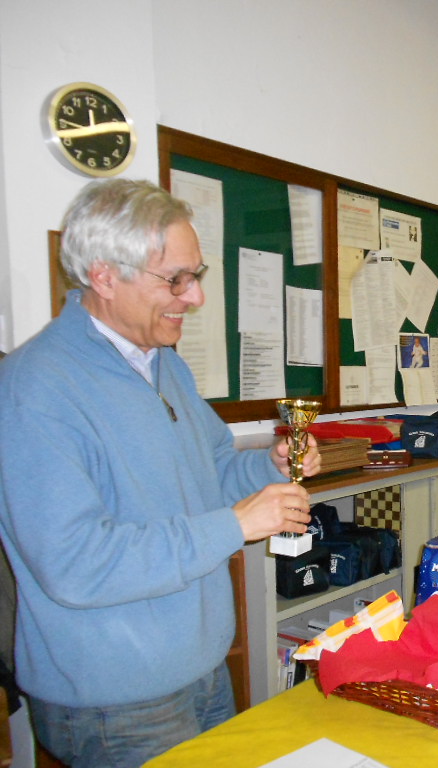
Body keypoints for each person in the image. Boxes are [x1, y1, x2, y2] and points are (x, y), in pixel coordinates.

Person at [0, 179, 320, 767]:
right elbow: (75, 564)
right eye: (175, 279)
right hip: (114, 701)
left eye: (195, 275)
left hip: (199, 671)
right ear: (103, 276)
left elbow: (213, 470)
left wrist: (265, 468)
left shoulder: (164, 364)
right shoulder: (34, 389)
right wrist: (234, 525)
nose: (194, 297)